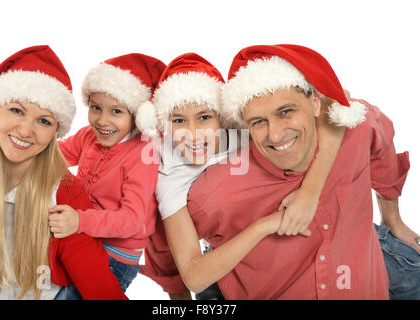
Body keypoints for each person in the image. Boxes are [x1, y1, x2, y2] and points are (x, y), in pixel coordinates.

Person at [178, 44, 414, 299]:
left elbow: (383, 154)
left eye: (286, 112)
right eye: (258, 122)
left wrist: (393, 220)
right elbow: (182, 261)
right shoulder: (214, 193)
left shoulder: (357, 127)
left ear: (315, 102)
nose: (276, 134)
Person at [135, 52, 351, 299]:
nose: (193, 134)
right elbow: (194, 277)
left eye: (204, 117)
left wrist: (310, 192)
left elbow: (339, 98)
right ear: (165, 124)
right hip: (203, 256)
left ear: (222, 118)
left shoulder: (244, 133)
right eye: (179, 120)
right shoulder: (169, 174)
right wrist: (265, 225)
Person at [0, 45, 127, 300]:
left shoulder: (62, 191)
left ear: (56, 131)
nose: (25, 131)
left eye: (43, 121)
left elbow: (99, 286)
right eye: (17, 110)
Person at [52, 53, 165, 297]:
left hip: (116, 255)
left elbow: (132, 220)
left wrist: (80, 221)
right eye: (95, 108)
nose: (103, 120)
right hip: (83, 239)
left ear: (137, 115)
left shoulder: (142, 154)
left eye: (116, 111)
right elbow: (52, 155)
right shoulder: (88, 137)